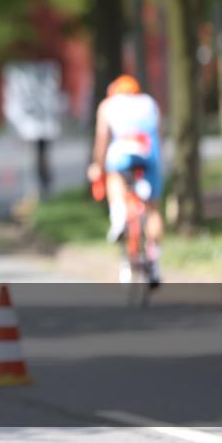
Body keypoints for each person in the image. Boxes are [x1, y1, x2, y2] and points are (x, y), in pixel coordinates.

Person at [86, 74, 164, 286]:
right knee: (153, 209)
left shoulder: (108, 105)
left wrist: (97, 165)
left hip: (122, 152)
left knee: (114, 176)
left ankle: (119, 216)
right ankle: (155, 262)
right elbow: (159, 134)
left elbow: (102, 138)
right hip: (149, 154)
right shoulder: (149, 103)